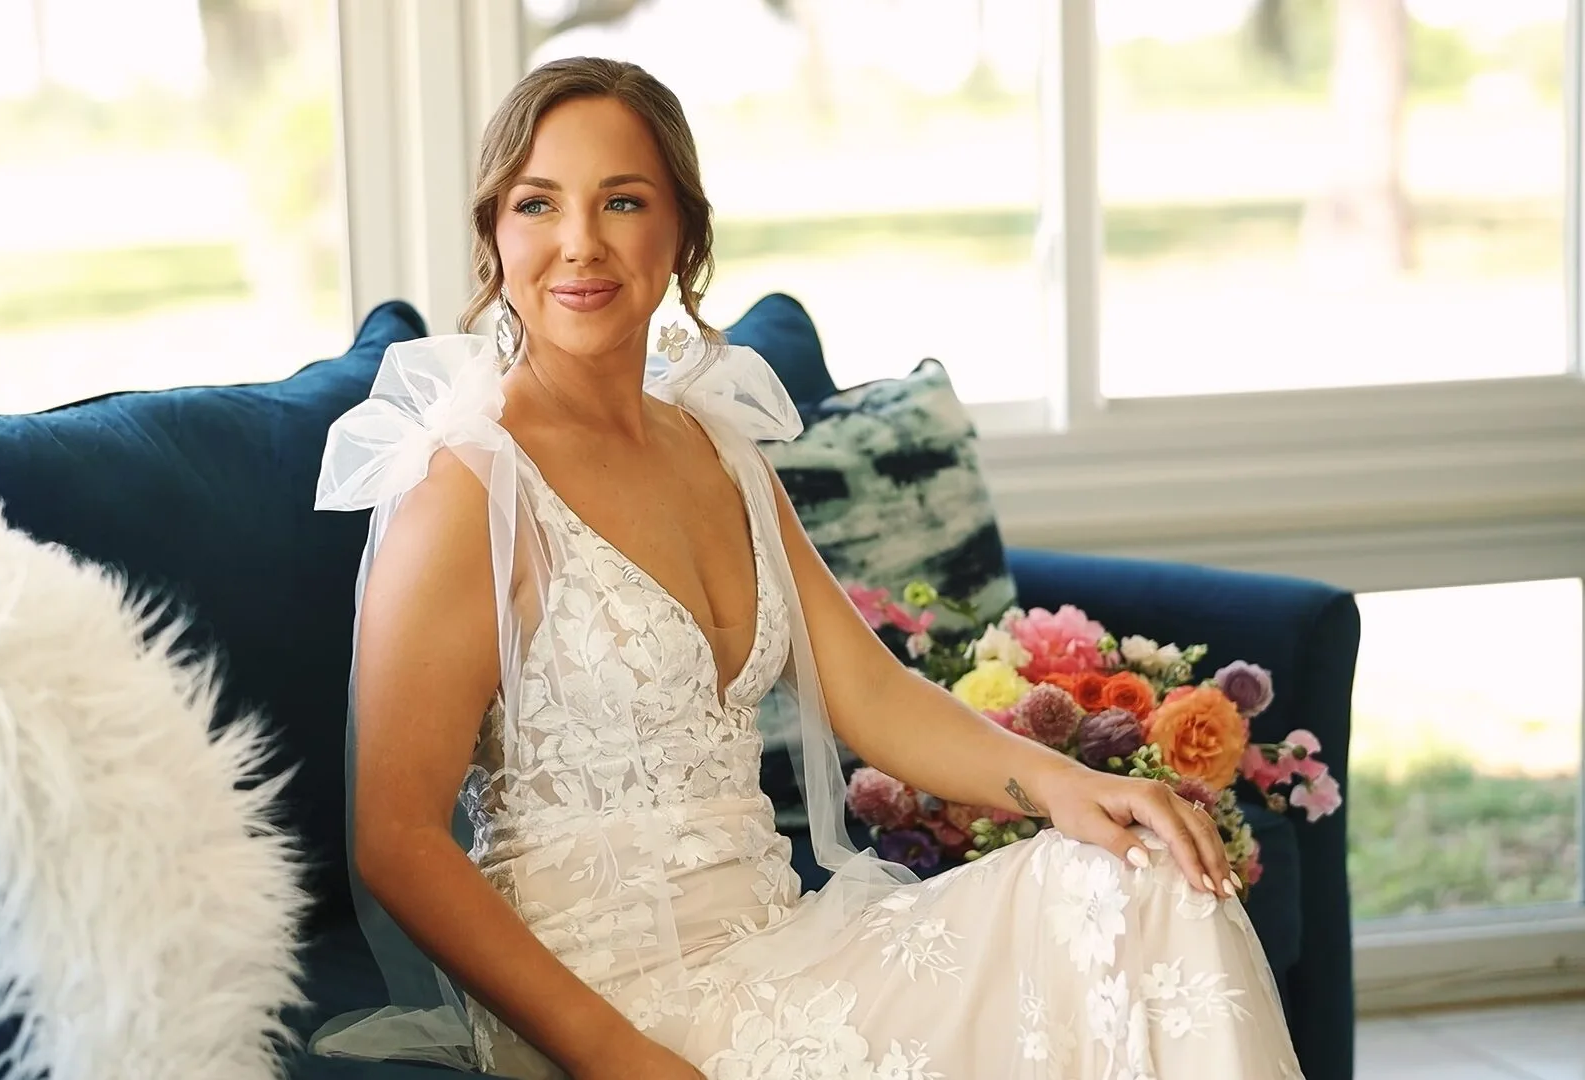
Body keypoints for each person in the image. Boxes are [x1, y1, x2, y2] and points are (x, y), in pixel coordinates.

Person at [311, 55, 1305, 1080]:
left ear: (682, 234)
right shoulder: (468, 483)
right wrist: (615, 1056)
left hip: (782, 950)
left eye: (622, 200)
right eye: (536, 204)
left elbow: (868, 692)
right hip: (611, 1008)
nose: (579, 243)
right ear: (494, 235)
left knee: (1137, 875)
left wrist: (1070, 786)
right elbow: (397, 838)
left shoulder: (717, 451)